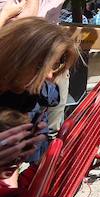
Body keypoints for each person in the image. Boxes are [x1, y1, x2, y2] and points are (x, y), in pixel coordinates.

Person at [0, 0, 100, 132]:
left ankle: (49, 159)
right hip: (19, 75)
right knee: (19, 130)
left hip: (54, 68)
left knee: (54, 124)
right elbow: (23, 31)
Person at [0, 18, 79, 163]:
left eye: (55, 65)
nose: (49, 75)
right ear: (15, 59)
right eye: (39, 67)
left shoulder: (25, 91)